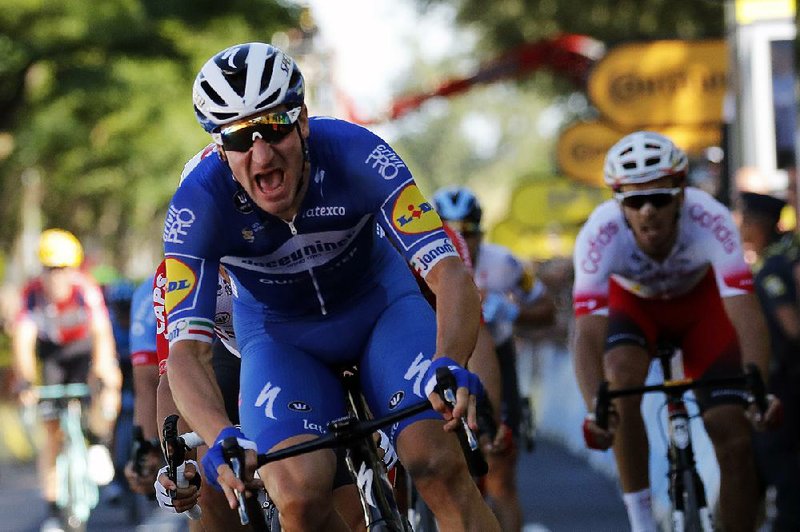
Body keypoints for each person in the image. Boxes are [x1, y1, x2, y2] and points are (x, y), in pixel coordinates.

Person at [162, 42, 499, 531]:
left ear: (302, 121)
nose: (261, 153)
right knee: (297, 497)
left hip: (382, 312)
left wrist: (448, 358)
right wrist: (218, 437)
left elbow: (447, 272)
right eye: (239, 138)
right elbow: (185, 355)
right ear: (220, 148)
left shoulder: (356, 152)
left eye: (274, 127)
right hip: (281, 339)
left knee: (437, 464)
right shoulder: (197, 206)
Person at [573, 131, 783, 532]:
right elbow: (587, 333)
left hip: (700, 310)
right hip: (634, 309)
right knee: (618, 379)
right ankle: (641, 521)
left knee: (734, 437)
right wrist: (594, 409)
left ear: (682, 196)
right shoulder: (598, 236)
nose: (648, 211)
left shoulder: (713, 219)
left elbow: (745, 311)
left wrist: (760, 387)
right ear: (619, 204)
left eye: (660, 198)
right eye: (635, 201)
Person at [433, 186, 556, 532]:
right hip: (444, 356)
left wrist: (513, 311)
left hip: (496, 356)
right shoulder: (421, 260)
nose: (461, 241)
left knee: (500, 468)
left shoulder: (504, 263)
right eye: (450, 231)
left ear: (481, 233)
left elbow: (547, 312)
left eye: (468, 233)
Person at [11, 228, 121, 532]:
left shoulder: (85, 289)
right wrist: (26, 381)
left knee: (109, 376)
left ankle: (99, 441)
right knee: (51, 433)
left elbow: (101, 333)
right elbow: (23, 340)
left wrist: (102, 368)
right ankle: (52, 508)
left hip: (83, 350)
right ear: (41, 270)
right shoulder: (31, 294)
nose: (57, 277)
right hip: (53, 355)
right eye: (50, 269)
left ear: (74, 269)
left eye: (63, 269)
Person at [737, 191, 800, 531]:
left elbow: (791, 327)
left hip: (786, 380)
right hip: (785, 377)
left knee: (775, 454)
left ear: (760, 225)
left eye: (746, 220)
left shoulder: (774, 268)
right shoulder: (782, 259)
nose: (741, 226)